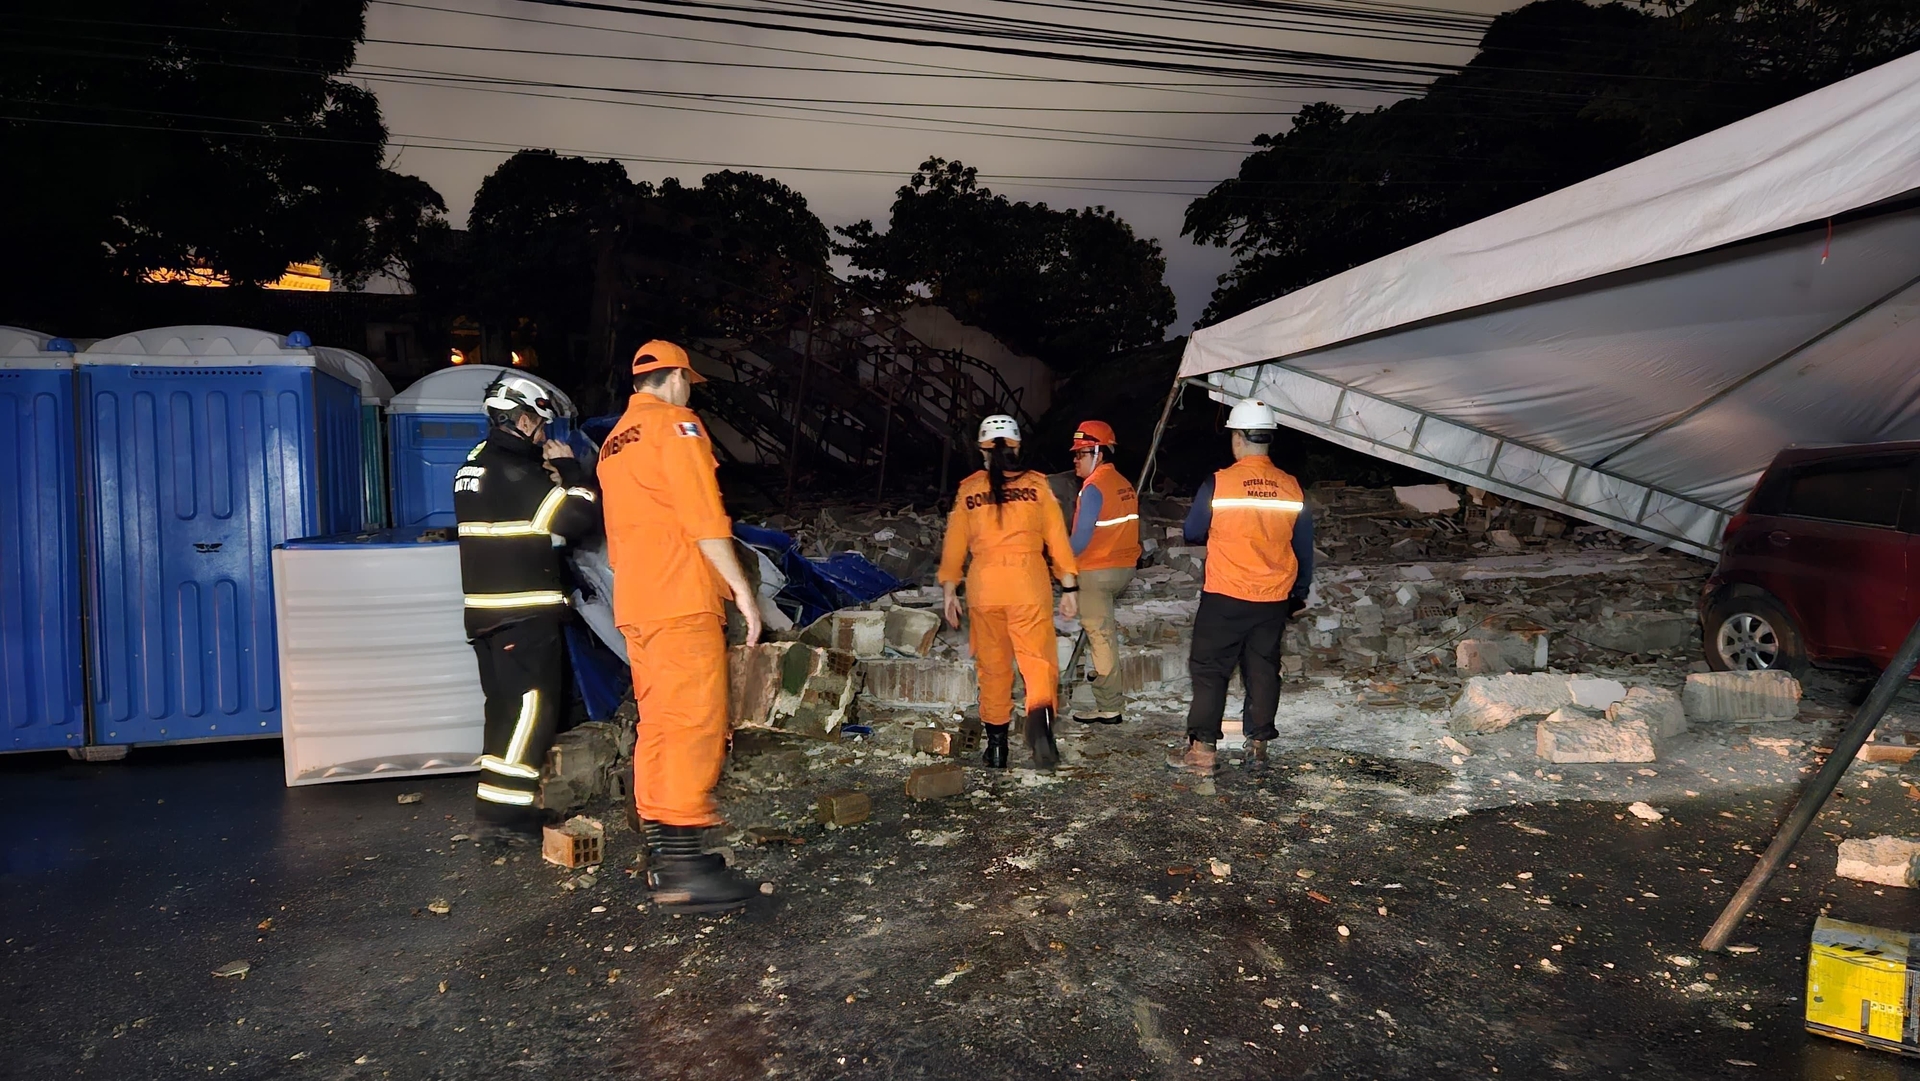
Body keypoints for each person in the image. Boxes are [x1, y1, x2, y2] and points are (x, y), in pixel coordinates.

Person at [598, 340, 762, 913]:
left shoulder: (612, 443)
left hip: (638, 601)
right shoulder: (678, 425)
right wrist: (741, 588)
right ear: (676, 379)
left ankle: (667, 856)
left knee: (659, 723)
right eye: (689, 382)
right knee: (694, 720)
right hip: (680, 596)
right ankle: (686, 869)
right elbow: (702, 515)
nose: (690, 391)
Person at [455, 374, 602, 843]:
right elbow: (577, 519)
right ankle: (507, 819)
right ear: (520, 420)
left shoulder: (475, 461)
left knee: (503, 712)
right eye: (541, 425)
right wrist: (576, 473)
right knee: (529, 713)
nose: (545, 435)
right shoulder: (515, 473)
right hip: (522, 612)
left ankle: (493, 809)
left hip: (487, 613)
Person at [1169, 399, 1314, 777]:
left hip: (1225, 595)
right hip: (1272, 599)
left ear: (1237, 438)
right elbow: (1303, 545)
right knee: (1263, 669)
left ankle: (1202, 752)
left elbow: (1192, 531)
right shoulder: (1291, 486)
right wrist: (1299, 591)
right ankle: (1258, 748)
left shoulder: (1220, 483)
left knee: (1210, 670)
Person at [939, 414, 1080, 769]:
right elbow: (1057, 539)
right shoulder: (1037, 486)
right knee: (1037, 666)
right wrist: (1069, 585)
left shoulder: (969, 489)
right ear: (1017, 447)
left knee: (994, 668)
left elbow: (955, 544)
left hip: (984, 588)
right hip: (1028, 585)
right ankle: (1042, 738)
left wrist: (949, 589)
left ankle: (997, 748)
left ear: (982, 450)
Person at [1065, 420, 1141, 725]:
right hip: (1124, 568)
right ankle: (1096, 692)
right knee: (1101, 633)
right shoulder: (1123, 484)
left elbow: (1081, 540)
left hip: (1098, 571)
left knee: (1101, 637)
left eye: (1080, 454)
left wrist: (1060, 560)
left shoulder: (1093, 488)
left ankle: (1109, 706)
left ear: (1097, 452)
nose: (1075, 460)